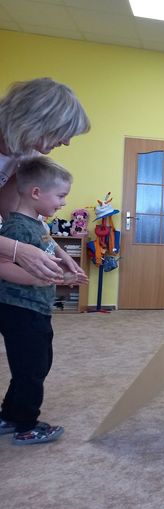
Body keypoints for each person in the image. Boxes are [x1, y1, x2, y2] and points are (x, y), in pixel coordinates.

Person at [0, 155, 88, 444]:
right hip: (20, 310)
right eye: (60, 196)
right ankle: (26, 426)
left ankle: (9, 415)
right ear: (36, 193)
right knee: (32, 368)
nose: (63, 203)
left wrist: (65, 267)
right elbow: (3, 265)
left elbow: (47, 251)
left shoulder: (37, 225)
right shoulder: (16, 228)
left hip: (35, 308)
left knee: (34, 365)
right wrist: (41, 279)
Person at [0, 77, 90, 284]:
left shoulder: (27, 155)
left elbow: (14, 214)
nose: (66, 142)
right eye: (63, 133)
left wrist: (57, 251)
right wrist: (17, 250)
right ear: (35, 121)